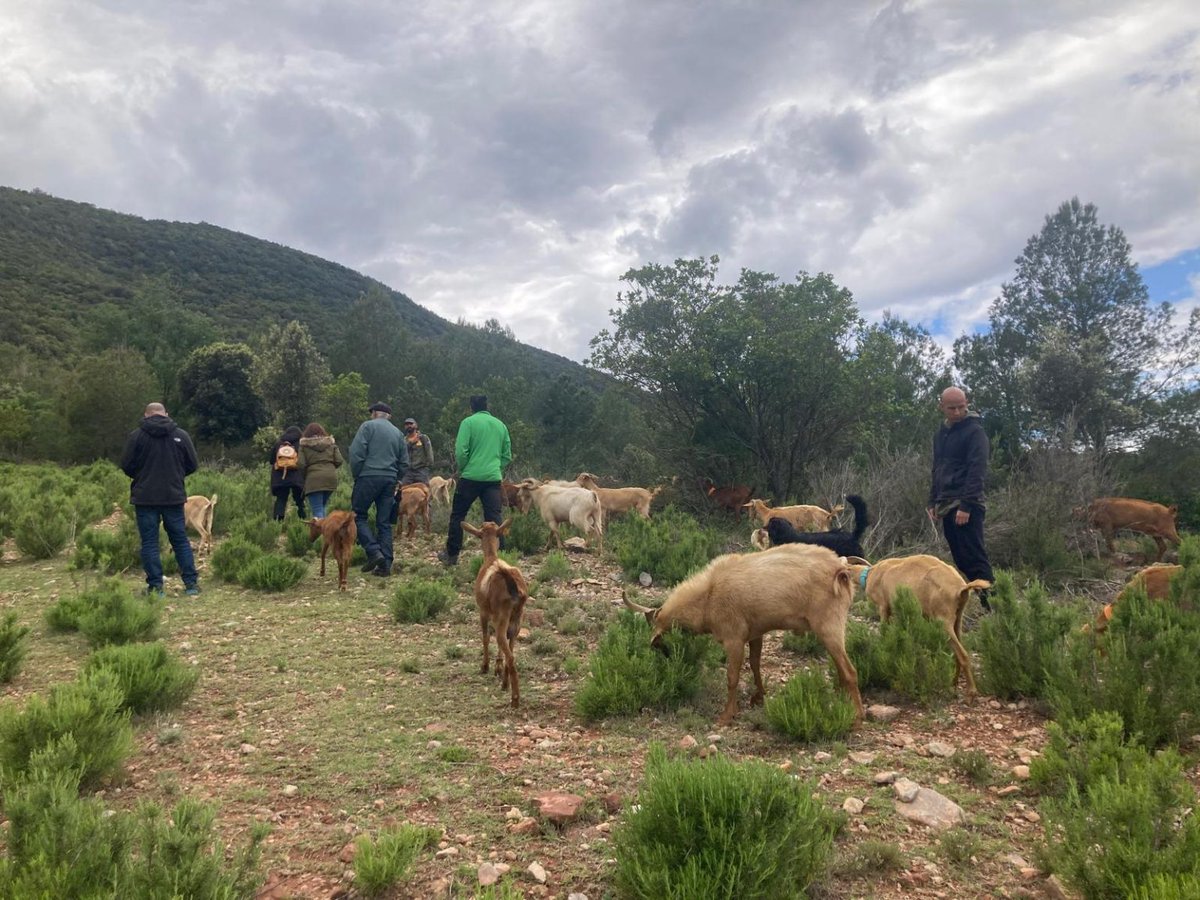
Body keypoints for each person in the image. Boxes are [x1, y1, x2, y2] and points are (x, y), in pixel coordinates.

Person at [119, 402, 201, 598]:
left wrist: (140, 477)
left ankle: (156, 588)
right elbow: (193, 465)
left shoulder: (136, 436)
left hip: (145, 497)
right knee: (180, 540)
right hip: (173, 496)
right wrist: (176, 475)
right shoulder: (181, 435)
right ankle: (191, 585)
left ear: (146, 415)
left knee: (149, 542)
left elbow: (126, 465)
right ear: (166, 414)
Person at [928, 386, 995, 611]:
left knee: (974, 557)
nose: (957, 412)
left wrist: (967, 505)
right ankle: (983, 601)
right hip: (946, 504)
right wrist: (932, 501)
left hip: (967, 505)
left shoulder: (975, 432)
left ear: (967, 404)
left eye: (961, 407)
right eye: (951, 408)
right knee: (961, 558)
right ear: (941, 407)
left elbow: (977, 470)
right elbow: (937, 468)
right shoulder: (941, 434)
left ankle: (993, 606)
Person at [439, 395, 512, 566]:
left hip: (470, 477)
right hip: (492, 479)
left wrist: (465, 468)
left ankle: (452, 555)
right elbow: (507, 455)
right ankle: (501, 555)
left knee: (458, 515)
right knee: (494, 517)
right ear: (487, 406)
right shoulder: (500, 425)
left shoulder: (468, 423)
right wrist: (495, 467)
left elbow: (461, 452)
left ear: (471, 407)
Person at [350, 401, 407, 577]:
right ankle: (385, 566)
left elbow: (356, 453)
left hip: (368, 476)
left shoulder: (367, 427)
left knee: (357, 515)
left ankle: (374, 551)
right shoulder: (398, 433)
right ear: (389, 416)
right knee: (384, 523)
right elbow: (404, 462)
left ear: (374, 413)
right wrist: (397, 478)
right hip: (389, 479)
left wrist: (357, 473)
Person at [298, 422, 343, 519]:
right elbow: (339, 460)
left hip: (314, 479)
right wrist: (329, 467)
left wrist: (305, 475)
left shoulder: (304, 446)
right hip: (330, 478)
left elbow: (301, 464)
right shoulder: (331, 444)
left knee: (317, 510)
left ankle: (321, 532)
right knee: (322, 506)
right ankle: (326, 530)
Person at [270, 425, 306, 521]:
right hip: (296, 477)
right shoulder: (301, 444)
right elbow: (303, 462)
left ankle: (278, 521)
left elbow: (271, 460)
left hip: (280, 476)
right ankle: (302, 518)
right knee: (299, 499)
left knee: (281, 499)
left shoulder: (279, 444)